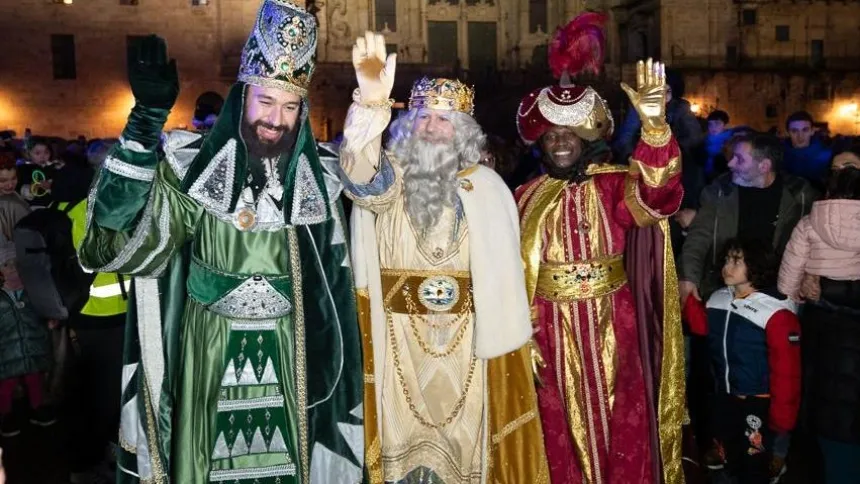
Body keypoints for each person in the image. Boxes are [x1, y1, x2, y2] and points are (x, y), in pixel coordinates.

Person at [77, 1, 363, 482]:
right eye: (266, 102)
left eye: (290, 106)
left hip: (288, 354)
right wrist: (144, 122)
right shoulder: (192, 167)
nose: (276, 118)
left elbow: (331, 283)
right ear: (242, 98)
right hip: (207, 350)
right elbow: (112, 239)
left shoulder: (321, 182)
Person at [340, 32, 548, 483]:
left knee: (465, 459)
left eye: (445, 120)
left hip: (467, 349)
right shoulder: (389, 178)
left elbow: (506, 282)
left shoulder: (489, 189)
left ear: (465, 134)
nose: (433, 129)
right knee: (401, 458)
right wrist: (371, 107)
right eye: (424, 119)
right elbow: (361, 180)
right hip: (399, 344)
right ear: (407, 126)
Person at [514, 12, 686, 484]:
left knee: (622, 423)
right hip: (547, 329)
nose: (562, 141)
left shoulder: (615, 186)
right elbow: (506, 270)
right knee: (558, 432)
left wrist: (655, 131)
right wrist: (518, 335)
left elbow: (658, 199)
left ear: (588, 137)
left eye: (570, 133)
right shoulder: (524, 197)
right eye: (552, 135)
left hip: (617, 322)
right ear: (541, 143)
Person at [683, 238, 800, 483]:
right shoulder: (718, 299)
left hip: (757, 401)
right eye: (727, 259)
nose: (728, 266)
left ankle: (773, 465)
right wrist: (688, 300)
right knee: (725, 460)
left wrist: (782, 419)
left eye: (737, 261)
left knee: (753, 466)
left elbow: (787, 372)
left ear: (756, 265)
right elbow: (702, 327)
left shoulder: (775, 313)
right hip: (724, 397)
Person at [778, 147, 860, 484]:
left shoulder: (809, 223)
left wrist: (817, 289)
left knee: (830, 416)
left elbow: (787, 285)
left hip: (823, 330)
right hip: (843, 332)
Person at [680, 133, 817, 303]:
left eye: (739, 159)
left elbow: (814, 243)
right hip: (724, 286)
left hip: (777, 291)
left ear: (764, 166)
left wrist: (810, 276)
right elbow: (699, 237)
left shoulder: (799, 195)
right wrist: (688, 277)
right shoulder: (720, 191)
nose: (730, 164)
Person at [0, 242, 54, 438]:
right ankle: (6, 415)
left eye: (15, 263)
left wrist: (49, 319)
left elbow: (44, 309)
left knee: (35, 380)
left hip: (32, 346)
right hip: (8, 352)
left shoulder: (32, 291)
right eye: (6, 264)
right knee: (6, 384)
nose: (13, 268)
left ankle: (37, 409)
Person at [782, 111, 832, 191]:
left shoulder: (828, 156)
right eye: (794, 131)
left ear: (812, 131)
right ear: (788, 133)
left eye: (805, 130)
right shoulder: (779, 156)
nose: (800, 136)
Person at [0, 151, 29, 242]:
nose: (10, 185)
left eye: (13, 178)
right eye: (3, 181)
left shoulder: (13, 195)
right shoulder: (7, 203)